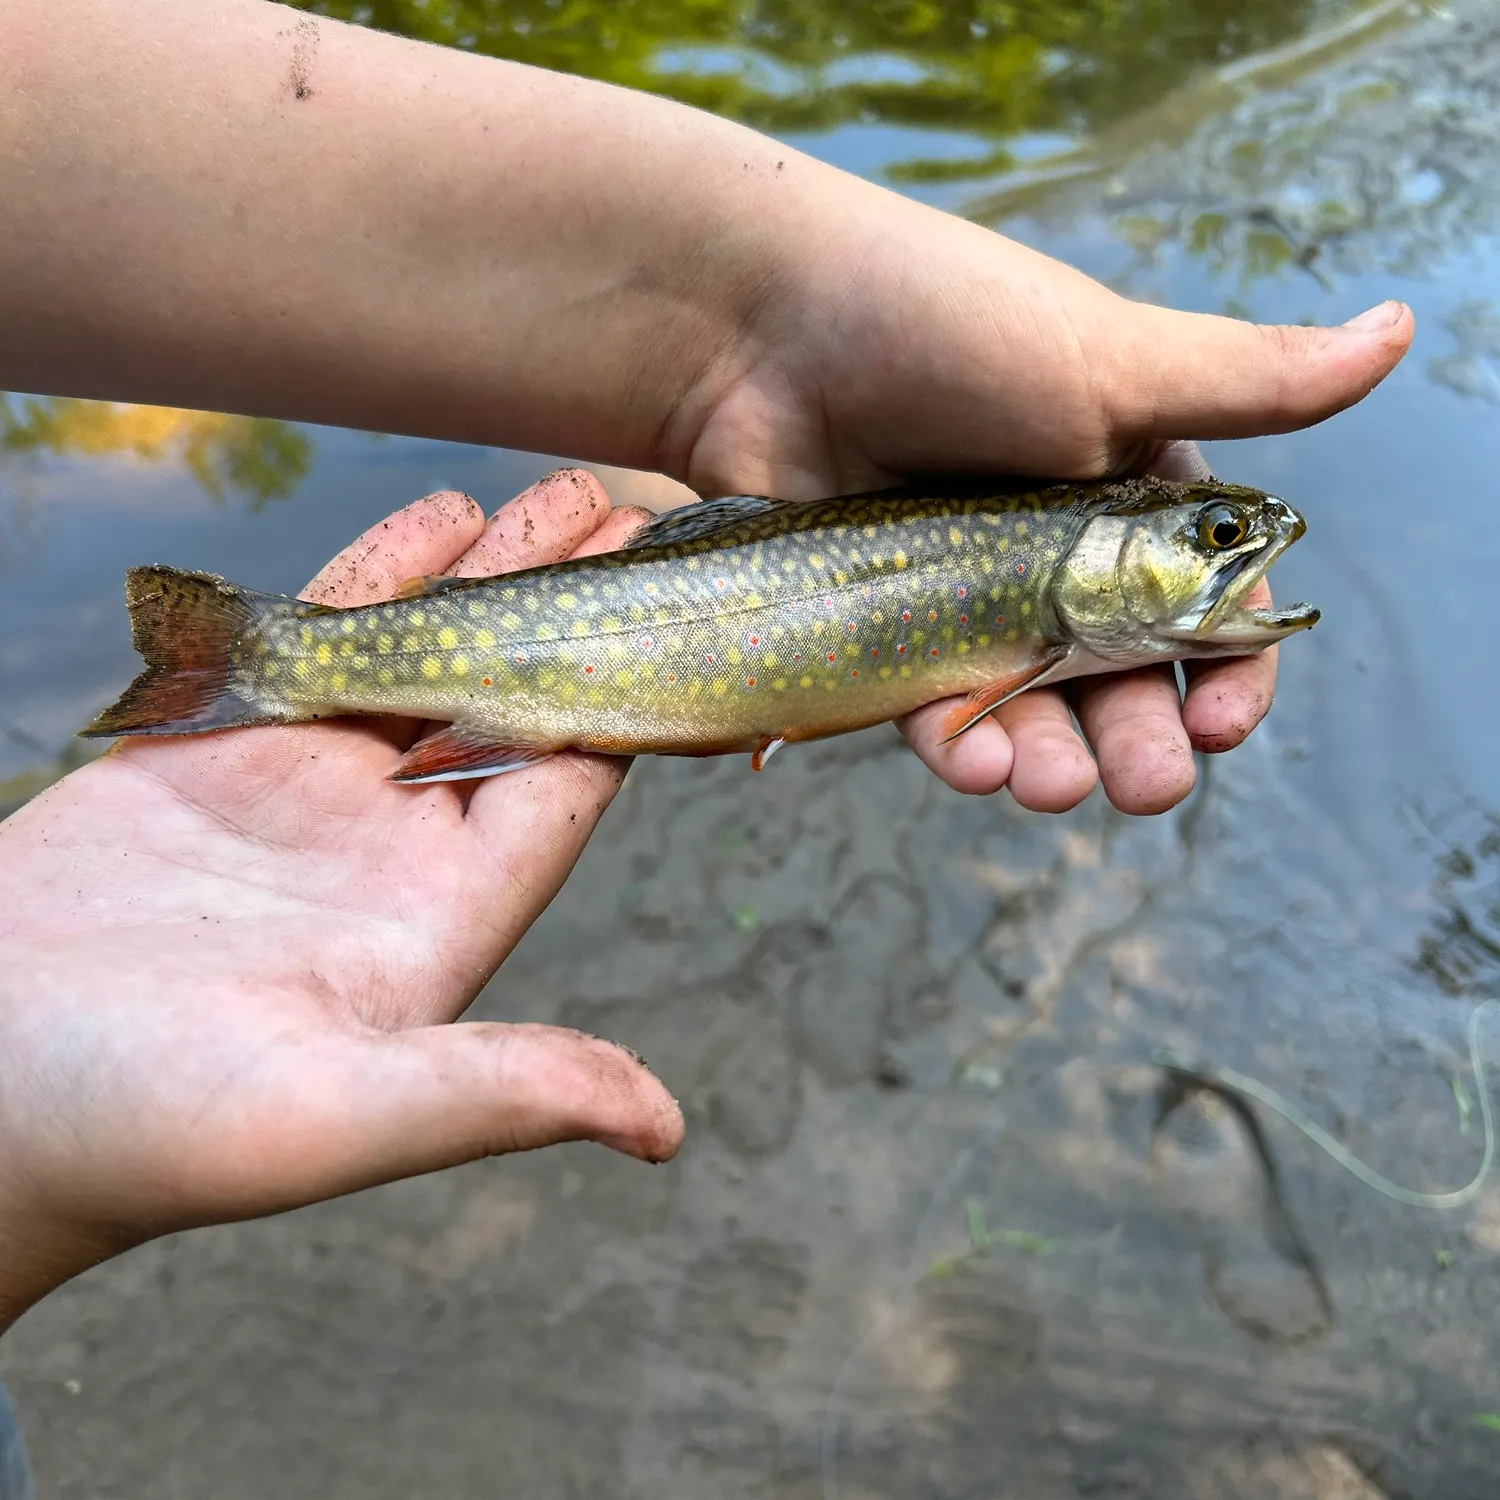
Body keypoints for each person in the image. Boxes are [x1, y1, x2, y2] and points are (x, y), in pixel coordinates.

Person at [0, 1, 1411, 1487]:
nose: (1245, 551)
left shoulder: (1060, 583)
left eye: (1226, 543)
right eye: (1215, 537)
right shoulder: (1051, 606)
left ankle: (273, 661)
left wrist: (759, 314)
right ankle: (269, 661)